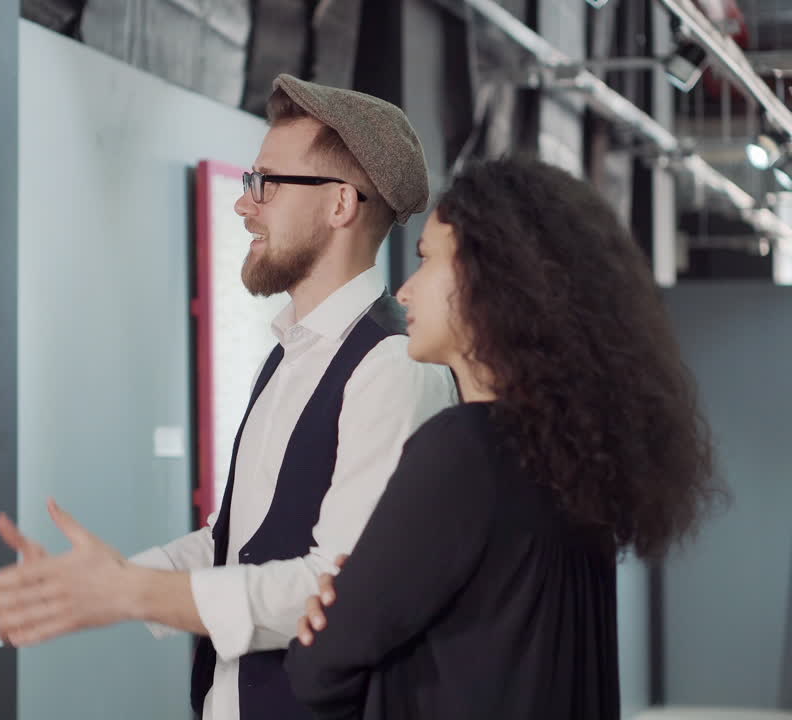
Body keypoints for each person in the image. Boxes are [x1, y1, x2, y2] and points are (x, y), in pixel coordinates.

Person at [0, 74, 457, 720]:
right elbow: (231, 541)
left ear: (340, 205)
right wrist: (96, 582)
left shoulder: (391, 370)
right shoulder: (290, 355)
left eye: (266, 183)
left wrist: (128, 592)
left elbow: (334, 590)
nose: (246, 206)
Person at [284, 156, 721, 720]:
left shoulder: (463, 449)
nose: (408, 291)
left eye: (427, 260)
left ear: (491, 276)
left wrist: (331, 626)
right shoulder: (568, 455)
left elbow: (320, 666)